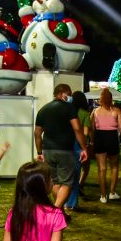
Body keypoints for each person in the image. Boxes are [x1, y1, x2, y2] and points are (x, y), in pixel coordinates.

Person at [34, 84, 88, 212]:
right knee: (68, 182)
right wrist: (83, 147)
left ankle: (60, 212)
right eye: (69, 94)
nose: (70, 97)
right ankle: (56, 211)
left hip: (48, 150)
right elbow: (77, 128)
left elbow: (37, 133)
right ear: (62, 93)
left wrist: (39, 152)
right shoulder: (69, 108)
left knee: (55, 182)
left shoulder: (43, 110)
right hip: (65, 150)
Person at [90, 87, 121, 203]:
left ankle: (102, 196)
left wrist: (92, 141)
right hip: (112, 138)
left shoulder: (95, 111)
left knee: (102, 169)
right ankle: (112, 193)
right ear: (111, 99)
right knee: (114, 167)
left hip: (99, 138)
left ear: (100, 99)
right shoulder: (116, 111)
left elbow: (92, 128)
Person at [66, 91, 92, 212]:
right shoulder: (85, 114)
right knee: (76, 175)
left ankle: (63, 200)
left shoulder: (66, 111)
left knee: (65, 174)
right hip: (78, 144)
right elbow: (86, 133)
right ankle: (71, 203)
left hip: (65, 143)